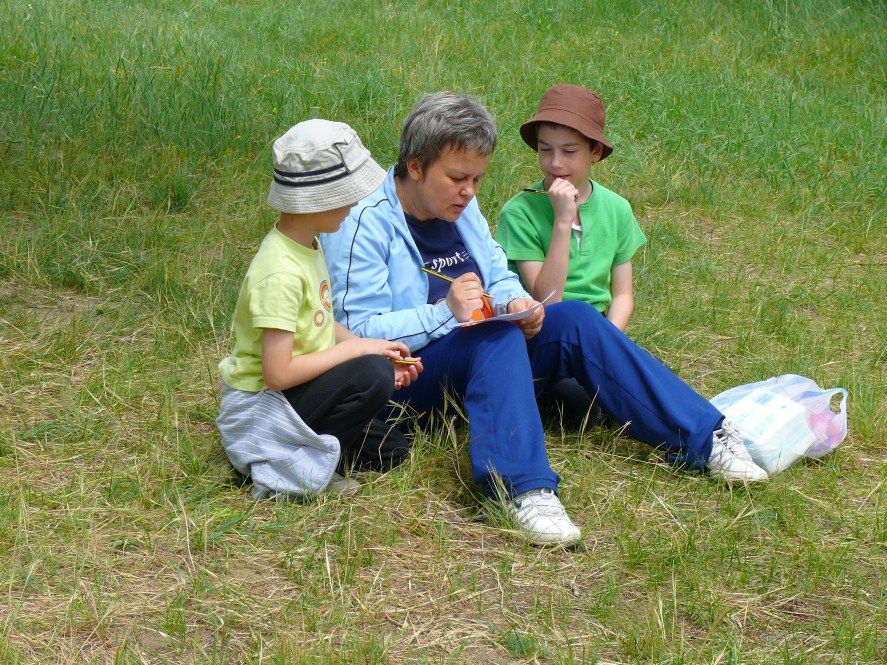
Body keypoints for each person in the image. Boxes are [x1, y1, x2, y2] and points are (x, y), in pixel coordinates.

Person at [320, 93, 768, 547]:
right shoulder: (364, 222)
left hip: (479, 347)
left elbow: (498, 273)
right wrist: (445, 314)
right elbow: (359, 335)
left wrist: (517, 302)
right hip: (408, 376)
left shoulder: (460, 206)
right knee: (494, 339)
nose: (469, 191)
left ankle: (706, 437)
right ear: (415, 167)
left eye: (477, 178)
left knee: (573, 317)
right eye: (457, 178)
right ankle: (523, 490)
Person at [216, 119, 422, 500]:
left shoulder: (308, 245)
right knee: (373, 376)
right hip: (260, 412)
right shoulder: (280, 272)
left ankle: (314, 451)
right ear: (319, 198)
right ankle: (285, 463)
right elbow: (277, 373)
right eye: (347, 194)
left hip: (290, 398)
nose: (355, 203)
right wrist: (360, 353)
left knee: (392, 448)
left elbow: (322, 322)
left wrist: (375, 347)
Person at [495, 84, 645, 428]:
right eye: (545, 150)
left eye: (569, 151)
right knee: (584, 410)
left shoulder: (617, 209)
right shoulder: (520, 212)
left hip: (600, 330)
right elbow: (548, 300)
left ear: (595, 151)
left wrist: (609, 343)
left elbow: (623, 294)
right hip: (546, 334)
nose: (555, 163)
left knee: (642, 385)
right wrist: (563, 220)